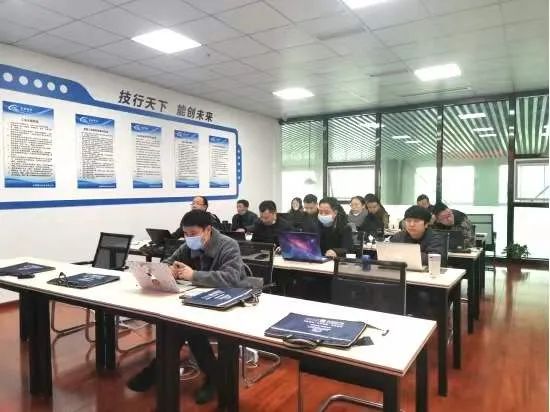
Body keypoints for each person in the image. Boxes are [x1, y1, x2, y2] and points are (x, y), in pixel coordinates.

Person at [127, 210, 252, 402]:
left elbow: (231, 278)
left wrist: (193, 275)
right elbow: (167, 262)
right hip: (199, 301)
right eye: (185, 233)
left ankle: (156, 371)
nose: (188, 238)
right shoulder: (188, 245)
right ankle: (213, 378)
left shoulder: (228, 245)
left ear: (208, 230)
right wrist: (168, 270)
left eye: (193, 233)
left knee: (182, 328)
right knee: (181, 327)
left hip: (228, 302)